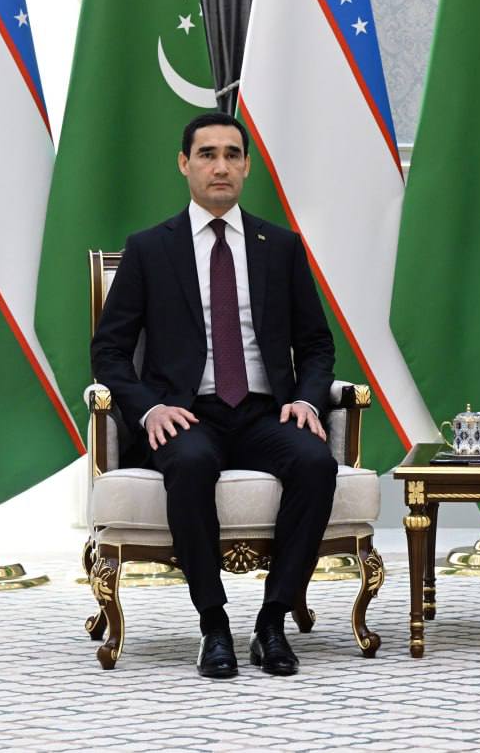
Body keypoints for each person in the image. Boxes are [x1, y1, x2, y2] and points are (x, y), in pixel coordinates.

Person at [91, 112, 337, 678]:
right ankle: (214, 625)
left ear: (247, 166)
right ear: (184, 164)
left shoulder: (280, 247)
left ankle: (272, 622)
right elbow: (108, 350)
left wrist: (305, 398)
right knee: (194, 462)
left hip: (262, 410)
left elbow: (317, 344)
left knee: (314, 463)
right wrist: (149, 407)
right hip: (185, 414)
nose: (220, 166)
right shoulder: (150, 249)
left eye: (232, 154)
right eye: (207, 154)